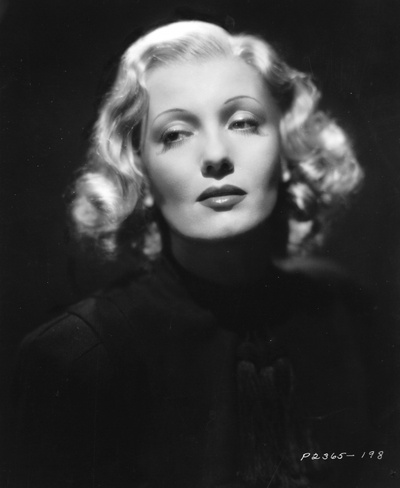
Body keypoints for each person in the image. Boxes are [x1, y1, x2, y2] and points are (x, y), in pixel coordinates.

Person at [10, 20, 385, 488]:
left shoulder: (345, 310)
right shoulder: (79, 357)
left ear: (287, 149)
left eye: (243, 122)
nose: (215, 155)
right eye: (175, 134)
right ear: (140, 174)